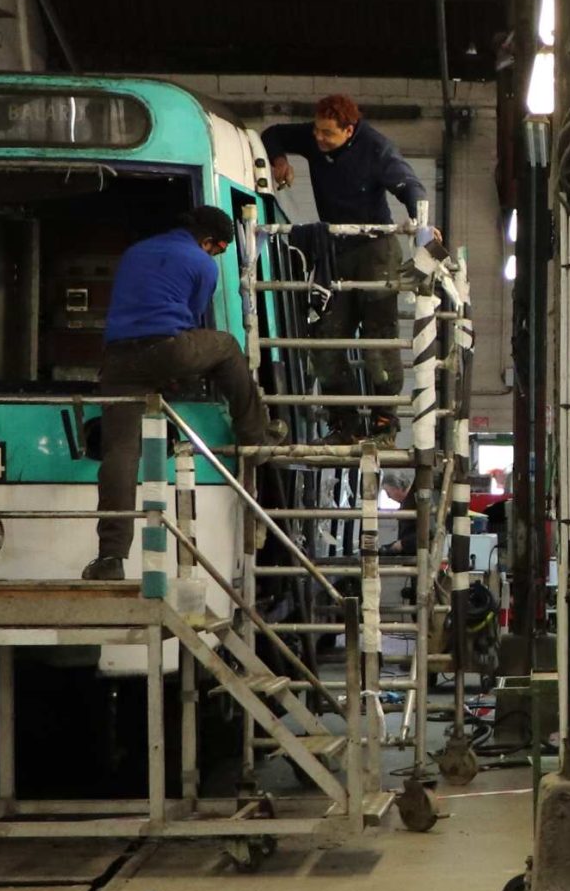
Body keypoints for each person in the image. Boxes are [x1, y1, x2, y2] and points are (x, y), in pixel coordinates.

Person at [83, 206, 276, 581]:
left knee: (120, 453)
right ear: (208, 242)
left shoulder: (136, 251)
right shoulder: (203, 265)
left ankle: (111, 558)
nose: (215, 256)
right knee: (226, 346)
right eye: (217, 249)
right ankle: (256, 436)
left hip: (118, 361)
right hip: (167, 349)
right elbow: (190, 318)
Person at [262, 93, 435, 420]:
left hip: (376, 249)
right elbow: (273, 134)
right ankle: (344, 422)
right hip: (334, 248)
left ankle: (385, 421)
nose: (319, 138)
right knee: (326, 337)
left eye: (328, 133)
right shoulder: (314, 137)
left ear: (350, 130)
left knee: (378, 338)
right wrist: (279, 160)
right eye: (316, 131)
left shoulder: (376, 149)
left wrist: (423, 226)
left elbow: (411, 186)